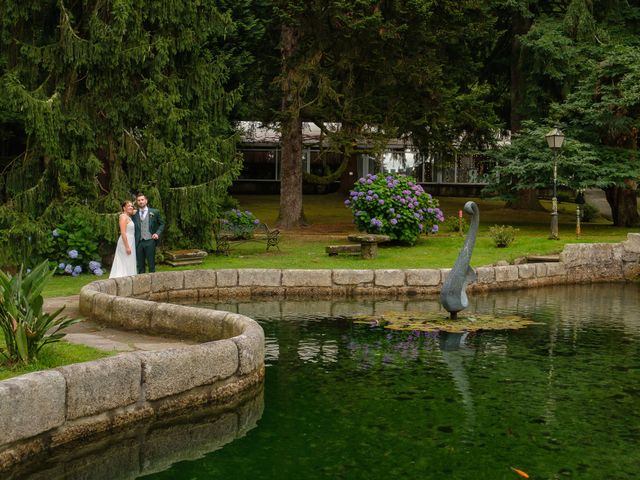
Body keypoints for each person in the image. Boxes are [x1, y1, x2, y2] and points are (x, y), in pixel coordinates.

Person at [132, 192, 165, 273]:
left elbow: (162, 224)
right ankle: (141, 283)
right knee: (140, 265)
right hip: (139, 242)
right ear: (137, 202)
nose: (141, 201)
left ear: (146, 201)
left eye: (142, 200)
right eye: (139, 200)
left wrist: (157, 233)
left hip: (150, 241)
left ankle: (152, 284)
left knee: (151, 264)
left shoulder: (155, 212)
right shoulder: (134, 214)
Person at [109, 200, 137, 278]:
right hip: (125, 242)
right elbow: (123, 232)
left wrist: (132, 209)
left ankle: (129, 278)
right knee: (124, 261)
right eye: (128, 206)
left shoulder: (128, 216)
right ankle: (121, 279)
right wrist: (127, 246)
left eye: (132, 206)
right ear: (124, 208)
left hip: (131, 241)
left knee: (129, 261)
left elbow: (135, 211)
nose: (131, 207)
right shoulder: (123, 216)